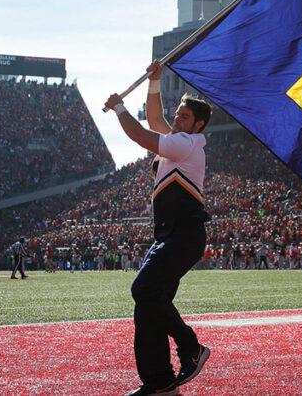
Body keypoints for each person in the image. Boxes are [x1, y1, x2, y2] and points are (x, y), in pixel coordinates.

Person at [105, 61, 212, 396]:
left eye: (183, 117)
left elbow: (140, 134)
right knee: (147, 307)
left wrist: (120, 108)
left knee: (144, 290)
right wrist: (155, 82)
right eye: (177, 115)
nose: (177, 120)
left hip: (184, 233)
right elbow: (154, 121)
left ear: (198, 124)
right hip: (169, 235)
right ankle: (160, 382)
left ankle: (190, 346)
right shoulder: (179, 140)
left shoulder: (187, 145)